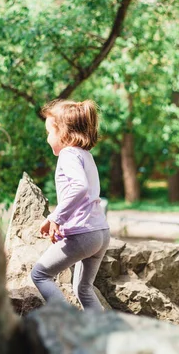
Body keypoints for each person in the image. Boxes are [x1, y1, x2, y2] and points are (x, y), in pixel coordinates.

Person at [30, 99, 110, 311]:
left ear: (63, 133)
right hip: (100, 232)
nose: (47, 138)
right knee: (84, 289)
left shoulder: (68, 155)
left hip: (83, 235)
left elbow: (79, 187)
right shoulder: (85, 155)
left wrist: (56, 217)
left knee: (39, 274)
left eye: (49, 132)